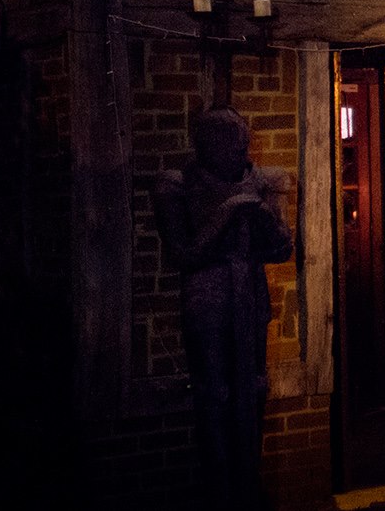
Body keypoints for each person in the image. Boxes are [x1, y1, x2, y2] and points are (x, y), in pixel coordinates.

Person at [155, 107, 294, 511]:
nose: (241, 154)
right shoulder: (178, 184)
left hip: (250, 295)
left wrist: (262, 214)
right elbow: (183, 254)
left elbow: (281, 248)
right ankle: (220, 492)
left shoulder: (261, 181)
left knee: (254, 387)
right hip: (207, 300)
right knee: (213, 393)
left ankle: (248, 485)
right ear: (207, 146)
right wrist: (228, 211)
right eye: (232, 146)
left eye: (243, 144)